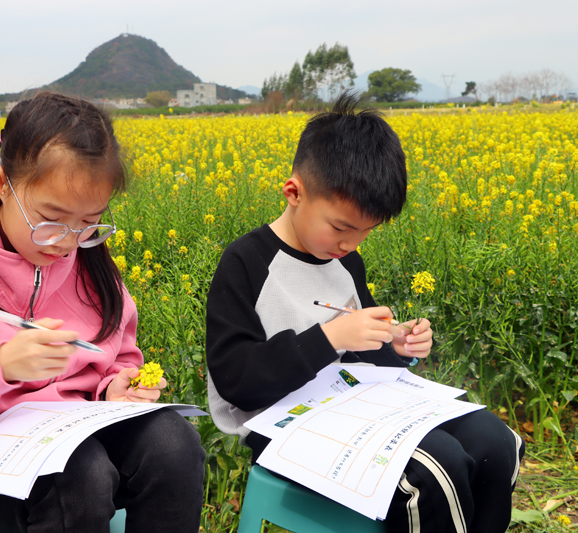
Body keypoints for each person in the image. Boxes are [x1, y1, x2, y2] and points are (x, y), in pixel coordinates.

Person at [0, 92, 205, 533]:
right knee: (78, 475)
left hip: (71, 432)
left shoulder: (91, 263)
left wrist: (114, 388)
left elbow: (119, 355)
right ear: (0, 182)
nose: (67, 242)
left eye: (89, 223)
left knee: (174, 443)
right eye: (50, 219)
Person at [205, 92, 524, 533]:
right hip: (278, 423)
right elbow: (237, 381)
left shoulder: (345, 260)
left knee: (496, 441)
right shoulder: (246, 263)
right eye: (341, 227)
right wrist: (332, 336)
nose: (350, 245)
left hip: (352, 405)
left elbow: (363, 360)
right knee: (433, 467)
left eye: (365, 233)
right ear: (294, 192)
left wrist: (397, 346)